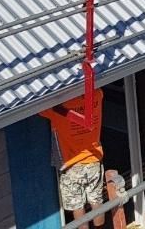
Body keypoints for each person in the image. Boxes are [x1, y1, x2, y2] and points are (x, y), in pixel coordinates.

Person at [40, 89, 106, 228]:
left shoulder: (58, 108)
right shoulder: (96, 96)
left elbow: (38, 108)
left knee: (78, 206)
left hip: (72, 166)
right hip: (93, 160)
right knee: (96, 200)